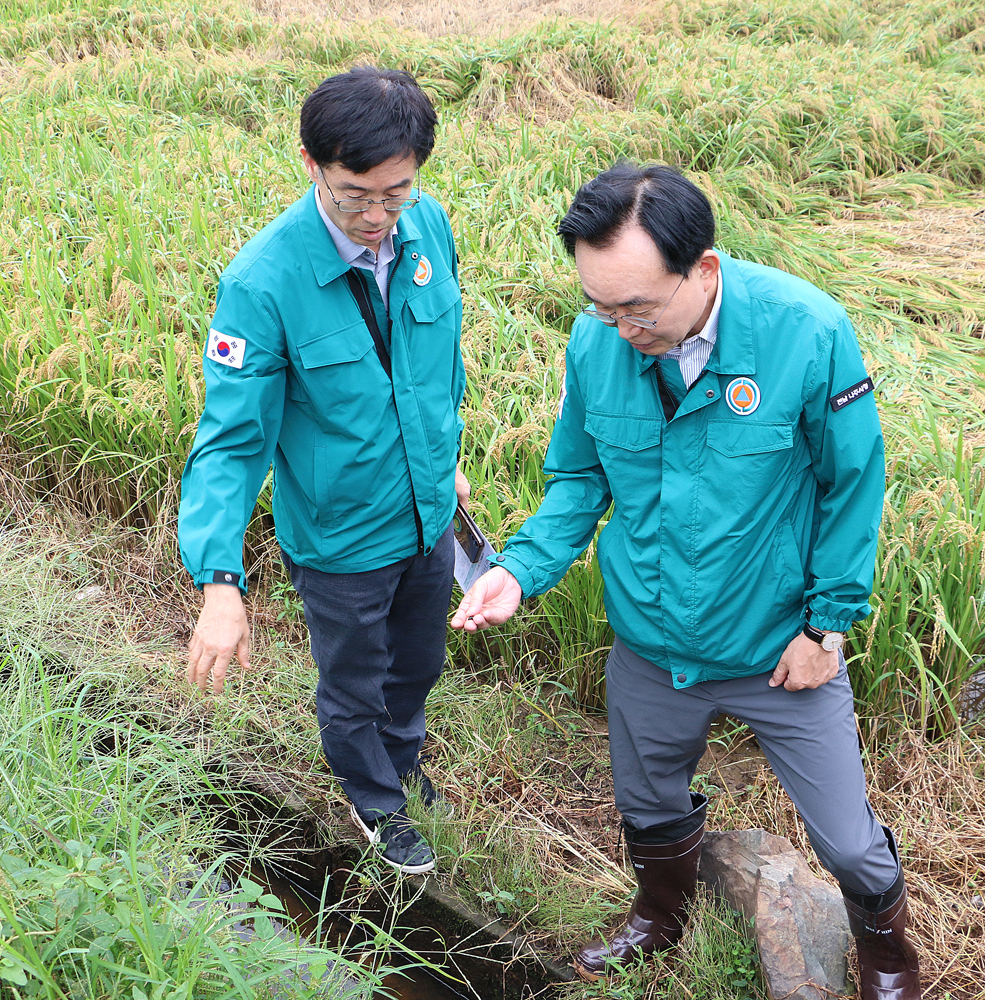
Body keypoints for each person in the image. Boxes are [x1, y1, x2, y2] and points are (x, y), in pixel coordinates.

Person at [451, 163, 921, 998]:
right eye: (602, 305)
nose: (620, 327)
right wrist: (518, 571)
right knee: (649, 801)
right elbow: (580, 481)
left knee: (847, 840)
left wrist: (827, 629)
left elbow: (854, 486)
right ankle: (659, 915)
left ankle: (888, 956)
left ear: (703, 269)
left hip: (778, 643)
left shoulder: (805, 332)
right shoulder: (598, 341)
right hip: (652, 639)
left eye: (638, 307)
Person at [179, 67, 468, 876]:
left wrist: (447, 461)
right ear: (311, 163)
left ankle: (402, 757)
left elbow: (438, 362)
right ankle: (373, 796)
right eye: (354, 195)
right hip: (340, 535)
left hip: (426, 510)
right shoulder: (263, 282)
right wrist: (220, 582)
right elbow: (229, 443)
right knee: (355, 679)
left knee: (418, 662)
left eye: (396, 193)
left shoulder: (429, 229)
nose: (377, 216)